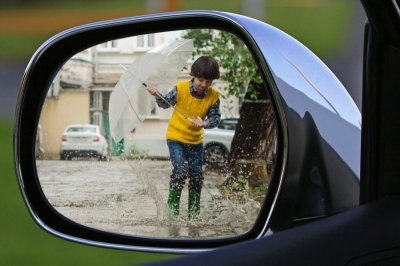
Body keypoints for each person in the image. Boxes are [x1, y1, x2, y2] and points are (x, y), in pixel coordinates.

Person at [147, 55, 221, 220]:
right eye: (201, 80)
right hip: (176, 138)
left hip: (196, 141)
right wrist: (157, 95)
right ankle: (172, 215)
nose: (204, 85)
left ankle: (193, 216)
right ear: (193, 76)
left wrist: (205, 123)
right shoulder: (180, 88)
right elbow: (164, 103)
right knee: (180, 170)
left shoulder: (214, 96)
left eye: (209, 82)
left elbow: (216, 119)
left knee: (196, 175)